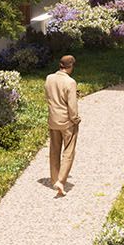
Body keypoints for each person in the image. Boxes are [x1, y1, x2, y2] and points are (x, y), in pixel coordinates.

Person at [45, 52, 81, 197]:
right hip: (66, 122)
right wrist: (76, 119)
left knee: (54, 150)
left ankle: (54, 179)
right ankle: (61, 181)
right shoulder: (70, 82)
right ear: (70, 66)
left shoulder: (49, 78)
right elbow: (72, 106)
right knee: (68, 152)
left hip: (53, 120)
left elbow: (48, 97)